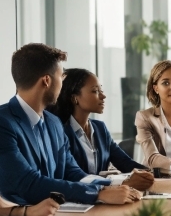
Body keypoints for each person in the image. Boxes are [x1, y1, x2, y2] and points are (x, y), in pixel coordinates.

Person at [0, 44, 142, 206]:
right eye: (61, 77)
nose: (62, 85)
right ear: (46, 81)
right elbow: (28, 184)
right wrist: (98, 193)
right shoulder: (4, 122)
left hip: (56, 215)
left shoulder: (54, 123)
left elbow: (72, 172)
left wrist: (116, 185)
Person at [50, 68, 154, 192]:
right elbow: (72, 176)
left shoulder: (100, 128)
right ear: (74, 98)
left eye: (101, 90)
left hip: (105, 198)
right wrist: (119, 181)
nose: (103, 96)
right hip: (79, 200)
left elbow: (125, 163)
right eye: (95, 91)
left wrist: (150, 173)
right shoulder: (60, 132)